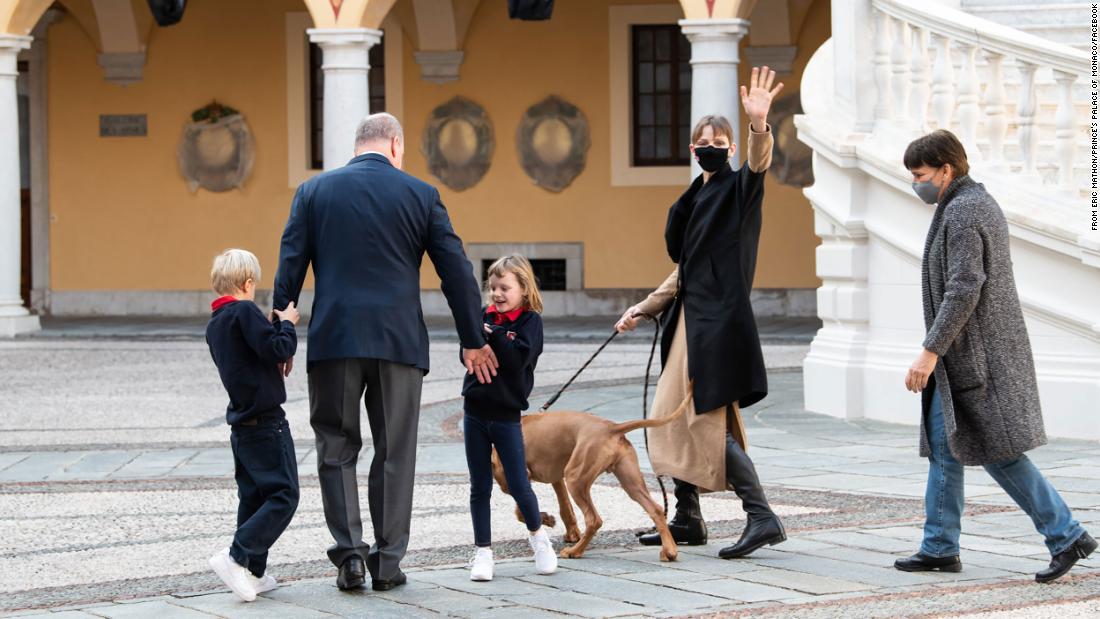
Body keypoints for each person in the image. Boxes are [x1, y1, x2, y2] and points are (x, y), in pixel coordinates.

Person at [273, 113, 498, 592]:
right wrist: (473, 339)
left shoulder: (314, 192)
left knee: (335, 448)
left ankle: (349, 558)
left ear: (357, 146)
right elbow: (456, 271)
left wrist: (282, 339)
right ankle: (388, 561)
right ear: (395, 144)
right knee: (395, 452)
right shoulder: (421, 194)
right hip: (398, 342)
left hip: (335, 339)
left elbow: (289, 265)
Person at [894, 129, 1095, 583]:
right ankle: (939, 546)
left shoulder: (965, 212)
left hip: (976, 360)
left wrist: (929, 352)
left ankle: (1067, 535)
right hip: (968, 357)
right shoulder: (964, 204)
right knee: (947, 449)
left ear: (946, 169)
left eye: (920, 175)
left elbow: (964, 288)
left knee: (998, 452)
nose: (915, 184)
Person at [616, 66, 786, 560]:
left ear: (730, 148)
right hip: (690, 322)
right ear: (693, 149)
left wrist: (758, 125)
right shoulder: (695, 197)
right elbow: (686, 270)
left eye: (719, 139)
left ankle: (761, 515)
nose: (709, 145)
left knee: (703, 421)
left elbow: (759, 165)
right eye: (702, 140)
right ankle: (688, 518)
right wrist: (644, 309)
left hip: (715, 326)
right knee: (671, 417)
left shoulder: (738, 190)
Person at [204, 248, 300, 602]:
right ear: (247, 283)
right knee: (284, 494)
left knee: (254, 497)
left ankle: (253, 571)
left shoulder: (216, 322)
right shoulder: (245, 311)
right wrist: (287, 322)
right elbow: (276, 349)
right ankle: (236, 556)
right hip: (267, 424)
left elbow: (253, 354)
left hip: (242, 425)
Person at [462, 255, 557, 582]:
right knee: (480, 486)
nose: (497, 294)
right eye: (492, 288)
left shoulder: (530, 322)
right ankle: (484, 552)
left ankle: (538, 537)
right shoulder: (482, 316)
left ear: (524, 289)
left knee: (518, 483)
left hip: (506, 416)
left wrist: (497, 336)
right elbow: (469, 351)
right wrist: (478, 337)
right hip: (474, 412)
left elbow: (518, 361)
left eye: (505, 287)